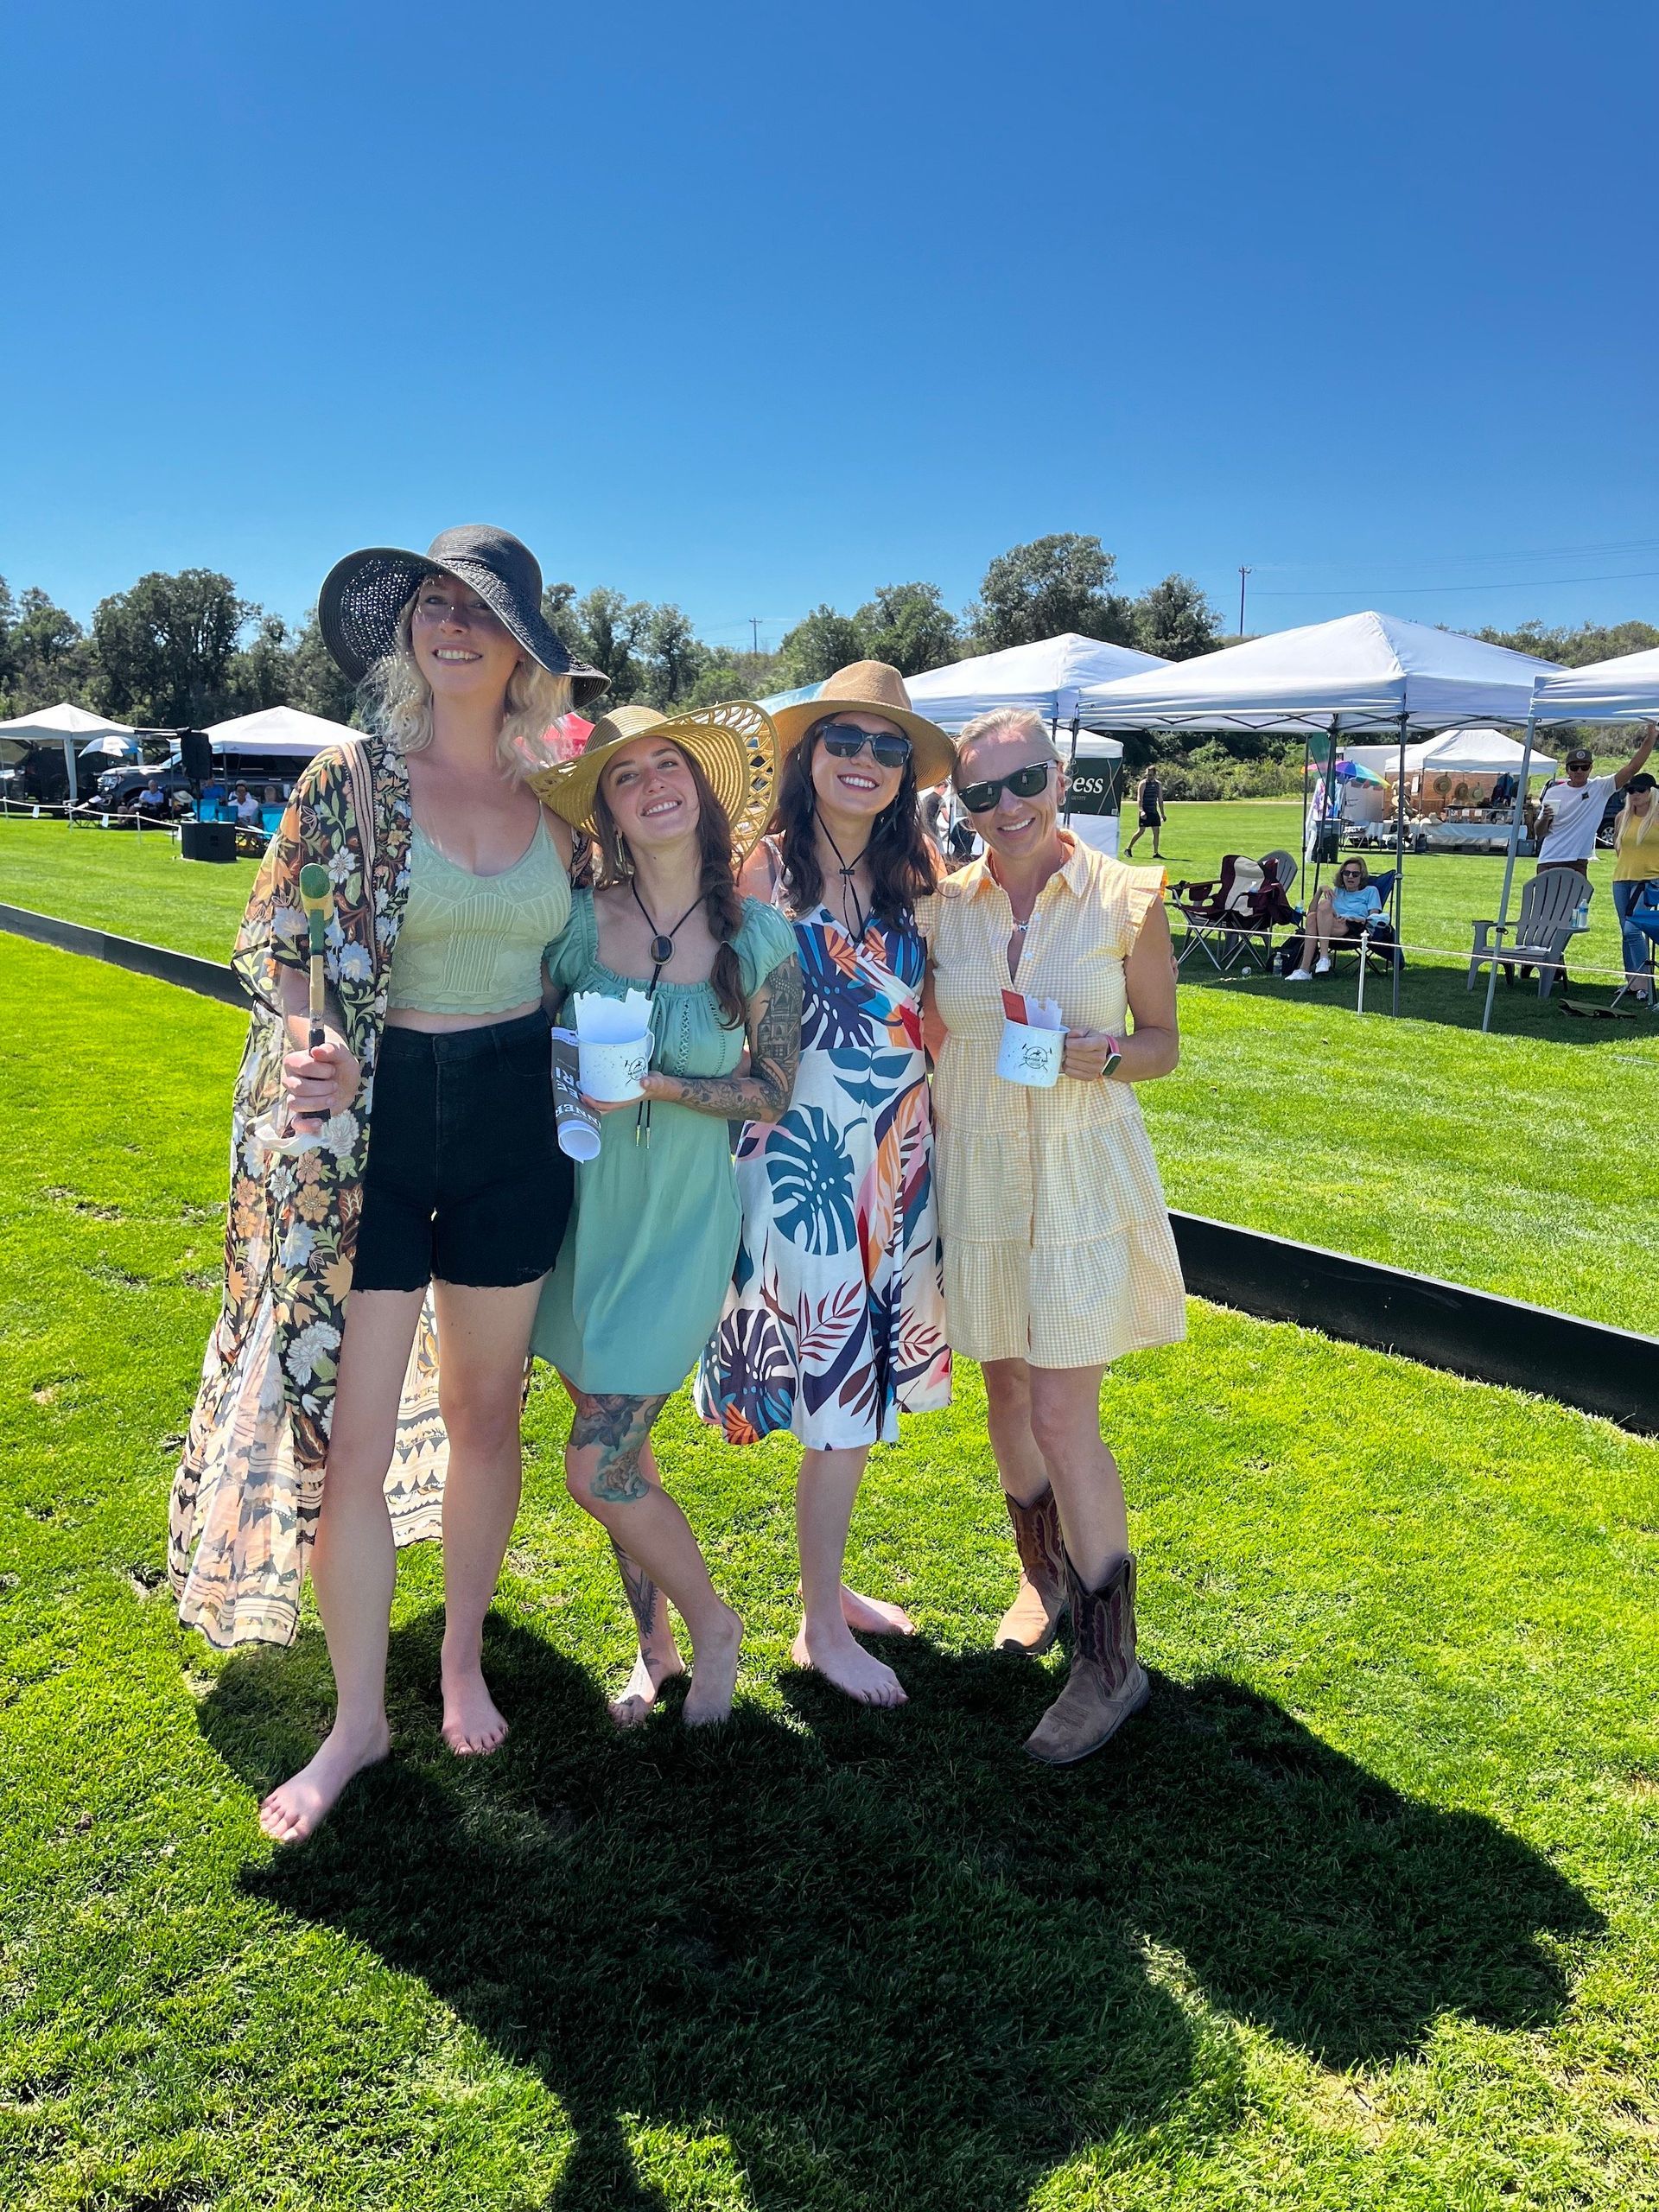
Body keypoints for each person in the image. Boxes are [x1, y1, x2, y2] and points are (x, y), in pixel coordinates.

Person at [169, 525, 608, 1845]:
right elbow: (283, 940)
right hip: (373, 1131)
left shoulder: (560, 814)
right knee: (351, 1441)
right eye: (432, 604)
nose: (450, 624)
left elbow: (587, 962)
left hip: (514, 1125)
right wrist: (316, 1040)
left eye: (480, 609)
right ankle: (358, 1718)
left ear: (523, 648)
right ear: (406, 634)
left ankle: (458, 1655)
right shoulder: (347, 779)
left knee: (487, 1418)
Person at [918, 707, 1184, 1764]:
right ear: (961, 807)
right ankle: (1045, 1578)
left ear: (1058, 773)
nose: (1007, 807)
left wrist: (1107, 1054)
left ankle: (1112, 1663)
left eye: (1023, 780)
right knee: (1008, 1393)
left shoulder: (1127, 896)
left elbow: (1163, 1045)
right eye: (981, 794)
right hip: (980, 1174)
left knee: (1068, 1414)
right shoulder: (949, 907)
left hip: (1078, 1176)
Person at [531, 704, 801, 1729]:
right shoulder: (572, 920)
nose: (652, 784)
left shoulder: (759, 936)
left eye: (669, 765)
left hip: (680, 1225)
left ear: (703, 788)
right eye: (626, 773)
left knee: (595, 1465)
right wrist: (572, 1074)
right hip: (575, 1214)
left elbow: (771, 1091)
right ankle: (657, 1650)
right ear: (606, 804)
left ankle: (716, 1624)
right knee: (623, 1454)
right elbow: (526, 1038)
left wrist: (659, 1086)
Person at [697, 663, 953, 1707]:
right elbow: (716, 1002)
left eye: (889, 747)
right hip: (801, 1161)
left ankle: (827, 1589)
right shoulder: (763, 869)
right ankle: (816, 1626)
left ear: (906, 773)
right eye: (845, 740)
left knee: (862, 1380)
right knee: (838, 1384)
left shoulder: (916, 879)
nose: (866, 760)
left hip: (897, 1155)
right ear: (811, 758)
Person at [1534, 729, 1656, 877]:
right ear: (1567, 770)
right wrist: (1546, 818)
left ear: (1591, 768)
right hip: (1550, 858)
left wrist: (1650, 739)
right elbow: (1539, 832)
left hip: (1578, 861)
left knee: (1578, 901)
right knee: (1546, 900)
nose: (1579, 771)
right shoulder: (1554, 792)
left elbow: (1632, 769)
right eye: (1574, 767)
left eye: (1584, 767)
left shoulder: (1599, 788)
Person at [1286, 857, 1392, 980]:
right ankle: (1319, 961)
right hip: (1331, 923)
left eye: (1355, 874)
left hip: (1352, 926)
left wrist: (1355, 918)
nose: (1350, 876)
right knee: (1314, 915)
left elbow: (1373, 918)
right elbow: (1312, 911)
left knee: (1321, 909)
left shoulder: (1371, 891)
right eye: (1346, 873)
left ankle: (1307, 968)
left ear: (1361, 876)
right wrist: (1320, 890)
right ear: (1342, 875)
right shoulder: (1338, 891)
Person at [1612, 771, 1659, 1001]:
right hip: (1622, 878)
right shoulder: (1623, 817)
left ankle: (1644, 983)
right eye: (1631, 790)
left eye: (1640, 790)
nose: (1635, 794)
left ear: (1652, 792)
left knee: (1633, 929)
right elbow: (1618, 847)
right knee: (1625, 932)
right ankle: (1631, 982)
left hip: (1649, 879)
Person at [1122, 766, 1166, 858]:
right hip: (1145, 811)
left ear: (1154, 774)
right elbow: (1139, 798)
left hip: (1153, 811)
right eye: (1147, 775)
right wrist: (1141, 810)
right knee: (1141, 831)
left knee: (1156, 831)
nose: (1148, 776)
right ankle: (1128, 848)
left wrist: (1162, 813)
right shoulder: (1143, 784)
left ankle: (1155, 853)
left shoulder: (1158, 785)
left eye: (1150, 775)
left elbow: (1160, 799)